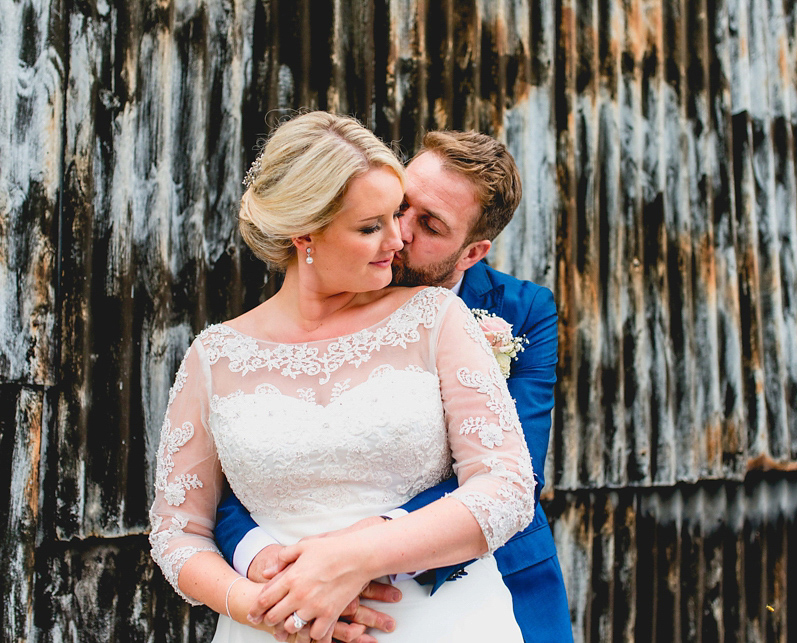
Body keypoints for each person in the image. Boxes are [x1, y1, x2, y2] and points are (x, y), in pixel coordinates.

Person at [148, 111, 535, 643]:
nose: (398, 238)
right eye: (373, 225)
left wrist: (349, 559)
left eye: (398, 217)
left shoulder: (435, 318)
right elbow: (178, 530)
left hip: (438, 620)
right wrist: (259, 604)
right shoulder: (215, 356)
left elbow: (508, 487)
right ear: (306, 230)